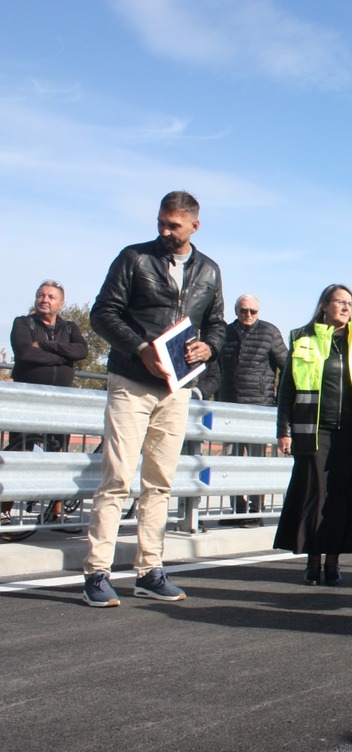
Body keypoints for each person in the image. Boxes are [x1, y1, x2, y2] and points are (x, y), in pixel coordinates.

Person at [82, 191, 225, 608]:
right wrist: (139, 348)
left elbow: (216, 324)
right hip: (131, 381)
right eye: (161, 223)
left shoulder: (210, 271)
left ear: (194, 227)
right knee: (116, 479)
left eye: (173, 226)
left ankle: (149, 570)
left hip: (176, 389)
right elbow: (102, 313)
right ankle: (97, 572)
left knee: (159, 483)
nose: (164, 231)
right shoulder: (133, 258)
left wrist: (210, 347)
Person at [274, 284, 352, 586]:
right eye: (340, 302)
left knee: (342, 498)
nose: (346, 308)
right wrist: (284, 430)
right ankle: (313, 560)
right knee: (314, 497)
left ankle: (334, 562)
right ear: (324, 305)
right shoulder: (302, 338)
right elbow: (286, 390)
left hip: (351, 434)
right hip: (315, 432)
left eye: (351, 304)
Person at [2, 280, 88, 526]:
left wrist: (46, 346)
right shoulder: (23, 323)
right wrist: (63, 357)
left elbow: (81, 351)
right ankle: (5, 510)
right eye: (41, 295)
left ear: (61, 303)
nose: (44, 299)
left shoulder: (69, 327)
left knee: (59, 454)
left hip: (61, 402)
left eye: (51, 296)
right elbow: (26, 353)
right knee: (20, 453)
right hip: (28, 399)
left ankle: (56, 511)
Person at [217, 294, 289, 527]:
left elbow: (286, 366)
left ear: (259, 312)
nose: (248, 315)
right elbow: (214, 368)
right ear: (236, 311)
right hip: (229, 406)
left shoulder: (269, 333)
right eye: (243, 310)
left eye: (252, 311)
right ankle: (237, 509)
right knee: (231, 462)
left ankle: (256, 510)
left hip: (259, 407)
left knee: (256, 463)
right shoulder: (225, 333)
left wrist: (281, 401)